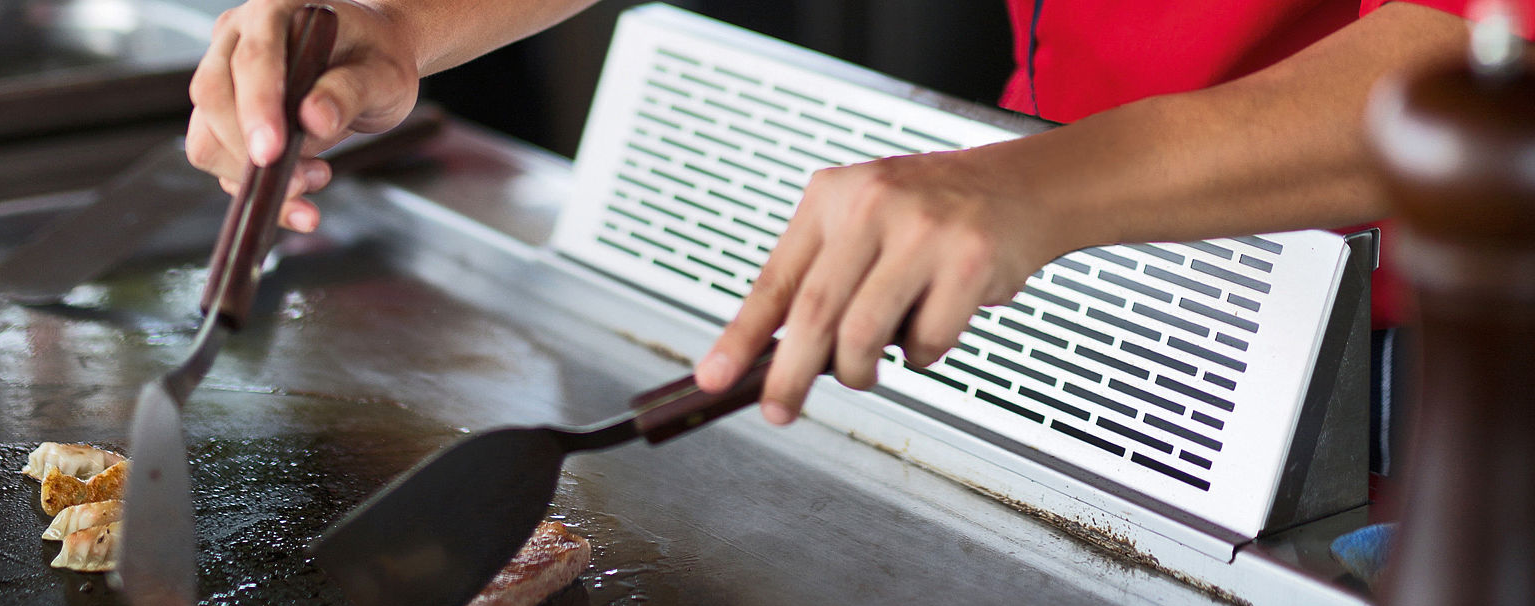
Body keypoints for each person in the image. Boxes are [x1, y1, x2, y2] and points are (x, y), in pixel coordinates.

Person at [185, 0, 1528, 432]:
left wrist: (1044, 186)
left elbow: (1490, 50)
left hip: (1445, 363)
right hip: (1085, 272)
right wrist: (396, 18)